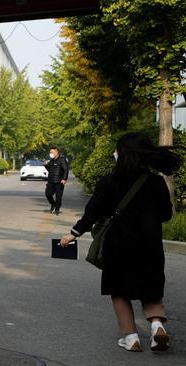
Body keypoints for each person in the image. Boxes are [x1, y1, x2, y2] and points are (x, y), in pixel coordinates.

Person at [60, 132, 182, 352]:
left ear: (123, 154)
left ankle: (131, 337)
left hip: (118, 243)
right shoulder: (155, 181)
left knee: (119, 290)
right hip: (150, 244)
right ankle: (156, 327)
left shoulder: (109, 181)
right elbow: (166, 214)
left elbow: (93, 212)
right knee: (151, 288)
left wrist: (74, 233)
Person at [44, 146, 69, 215]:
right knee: (48, 194)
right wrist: (45, 165)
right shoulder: (51, 161)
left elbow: (65, 170)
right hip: (51, 181)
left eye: (52, 152)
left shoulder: (62, 160)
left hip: (59, 181)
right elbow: (49, 169)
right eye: (50, 152)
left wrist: (64, 179)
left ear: (57, 152)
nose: (50, 153)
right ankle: (53, 204)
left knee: (58, 197)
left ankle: (57, 209)